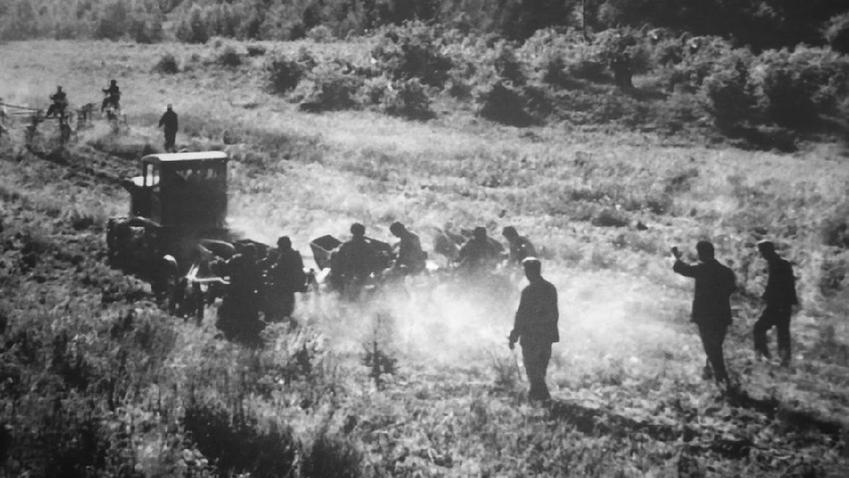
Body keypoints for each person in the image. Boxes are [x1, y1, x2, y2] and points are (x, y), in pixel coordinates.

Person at [672, 241, 737, 390]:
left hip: (705, 316)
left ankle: (722, 379)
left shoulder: (702, 269)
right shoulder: (726, 271)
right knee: (716, 346)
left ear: (701, 253)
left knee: (711, 348)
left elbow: (681, 268)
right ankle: (712, 374)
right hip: (722, 315)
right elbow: (732, 288)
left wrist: (676, 257)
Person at [509, 258, 559, 403]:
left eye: (526, 270)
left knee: (533, 370)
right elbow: (554, 314)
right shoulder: (550, 288)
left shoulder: (528, 291)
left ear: (530, 271)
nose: (525, 273)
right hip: (546, 336)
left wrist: (514, 334)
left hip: (531, 337)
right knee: (540, 369)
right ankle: (537, 400)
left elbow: (521, 315)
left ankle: (543, 399)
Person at [753, 241, 798, 367]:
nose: (762, 255)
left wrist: (765, 297)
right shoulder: (781, 264)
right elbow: (789, 286)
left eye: (762, 252)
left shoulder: (777, 265)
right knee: (783, 332)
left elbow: (775, 285)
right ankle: (784, 360)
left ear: (768, 251)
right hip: (784, 305)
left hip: (777, 304)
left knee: (759, 328)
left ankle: (763, 354)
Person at [217, 245, 263, 342]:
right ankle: (245, 332)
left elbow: (224, 269)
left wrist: (219, 262)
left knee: (229, 311)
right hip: (247, 293)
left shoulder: (236, 259)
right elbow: (258, 279)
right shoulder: (254, 263)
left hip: (235, 291)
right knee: (247, 313)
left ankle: (230, 332)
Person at [330, 223, 382, 294]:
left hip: (350, 274)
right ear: (363, 232)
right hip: (364, 274)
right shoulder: (368, 246)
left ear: (352, 231)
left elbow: (338, 261)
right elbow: (375, 262)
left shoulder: (346, 245)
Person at [266, 236, 307, 321]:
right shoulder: (295, 254)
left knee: (282, 306)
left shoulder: (286, 255)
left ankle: (282, 319)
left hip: (284, 285)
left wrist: (271, 269)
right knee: (289, 304)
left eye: (280, 245)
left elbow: (279, 269)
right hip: (291, 284)